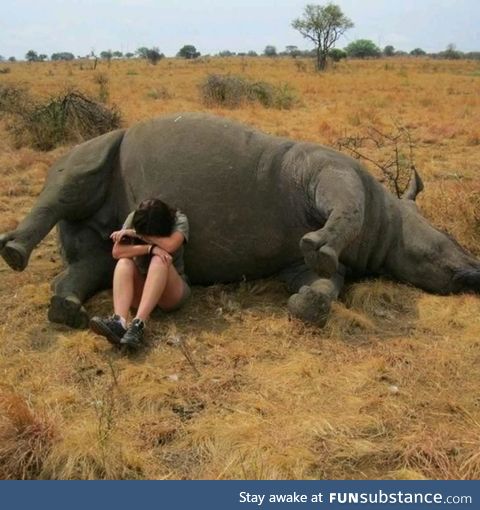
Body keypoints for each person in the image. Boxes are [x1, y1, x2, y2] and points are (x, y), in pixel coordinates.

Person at [90, 198, 191, 349]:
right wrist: (150, 248)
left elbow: (170, 245)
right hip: (142, 289)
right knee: (124, 262)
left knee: (160, 260)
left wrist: (137, 234)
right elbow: (117, 252)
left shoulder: (179, 219)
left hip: (170, 291)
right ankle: (119, 322)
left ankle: (138, 325)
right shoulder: (135, 218)